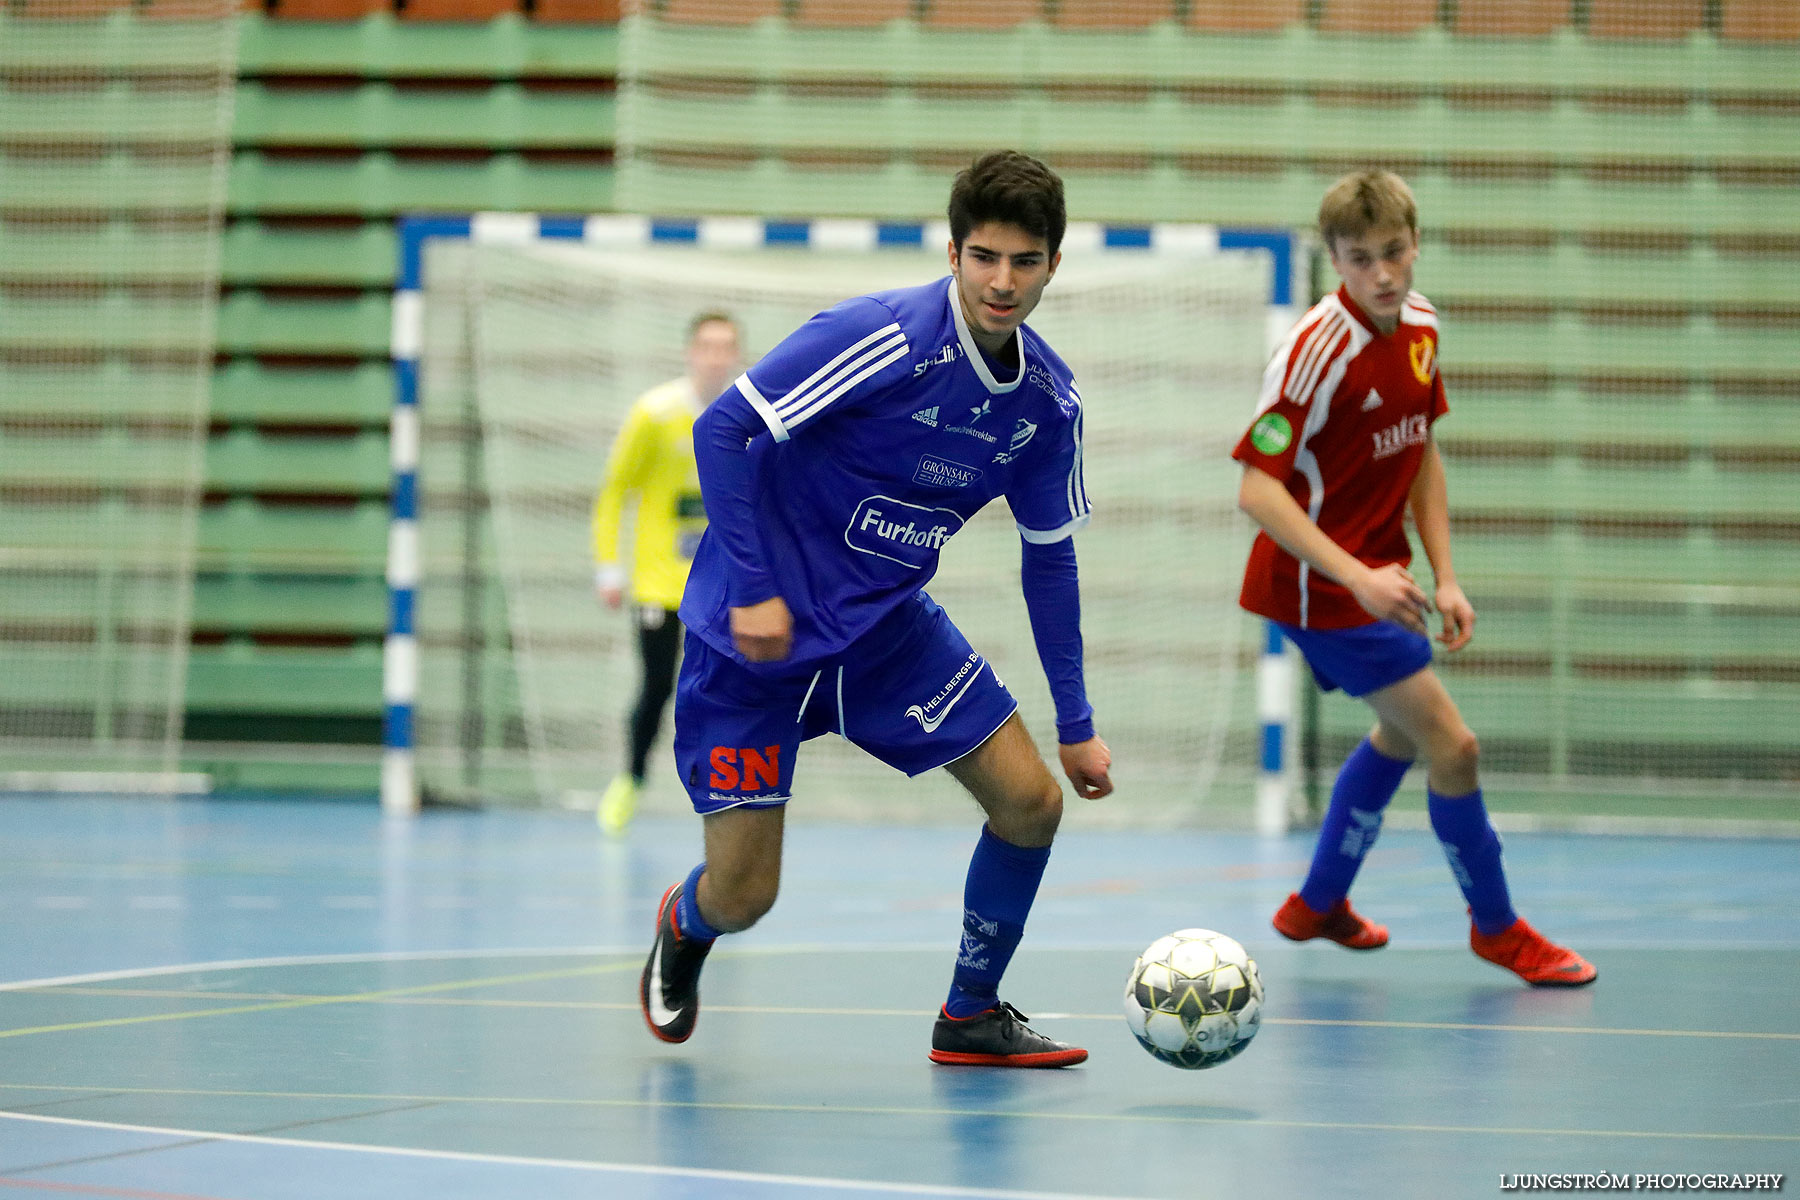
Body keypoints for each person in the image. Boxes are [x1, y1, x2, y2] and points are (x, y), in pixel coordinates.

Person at [638, 150, 1114, 1066]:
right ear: (951, 254)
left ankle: (970, 1013)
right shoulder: (885, 337)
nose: (1002, 282)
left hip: (885, 637)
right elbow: (722, 429)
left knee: (1031, 804)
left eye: (1023, 262)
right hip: (753, 645)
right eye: (983, 258)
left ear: (1054, 264)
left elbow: (1049, 560)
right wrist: (758, 589)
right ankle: (686, 921)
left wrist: (1078, 720)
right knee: (744, 896)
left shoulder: (1047, 408)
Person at [1235, 169, 1596, 988]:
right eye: (1361, 259)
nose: (1384, 275)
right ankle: (1499, 930)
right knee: (1453, 746)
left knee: (1402, 733)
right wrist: (1359, 578)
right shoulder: (1312, 354)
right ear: (1334, 260)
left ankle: (1317, 904)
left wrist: (1448, 574)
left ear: (1416, 243)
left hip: (1379, 575)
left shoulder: (1422, 325)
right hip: (1318, 585)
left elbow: (1421, 449)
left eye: (1395, 252)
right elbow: (1256, 489)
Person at [592, 312, 744, 836]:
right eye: (707, 345)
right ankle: (630, 782)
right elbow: (615, 490)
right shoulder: (654, 415)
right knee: (658, 684)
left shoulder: (745, 415)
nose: (716, 356)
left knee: (727, 687)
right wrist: (608, 566)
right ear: (690, 351)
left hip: (722, 584)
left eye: (726, 346)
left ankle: (724, 790)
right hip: (659, 582)